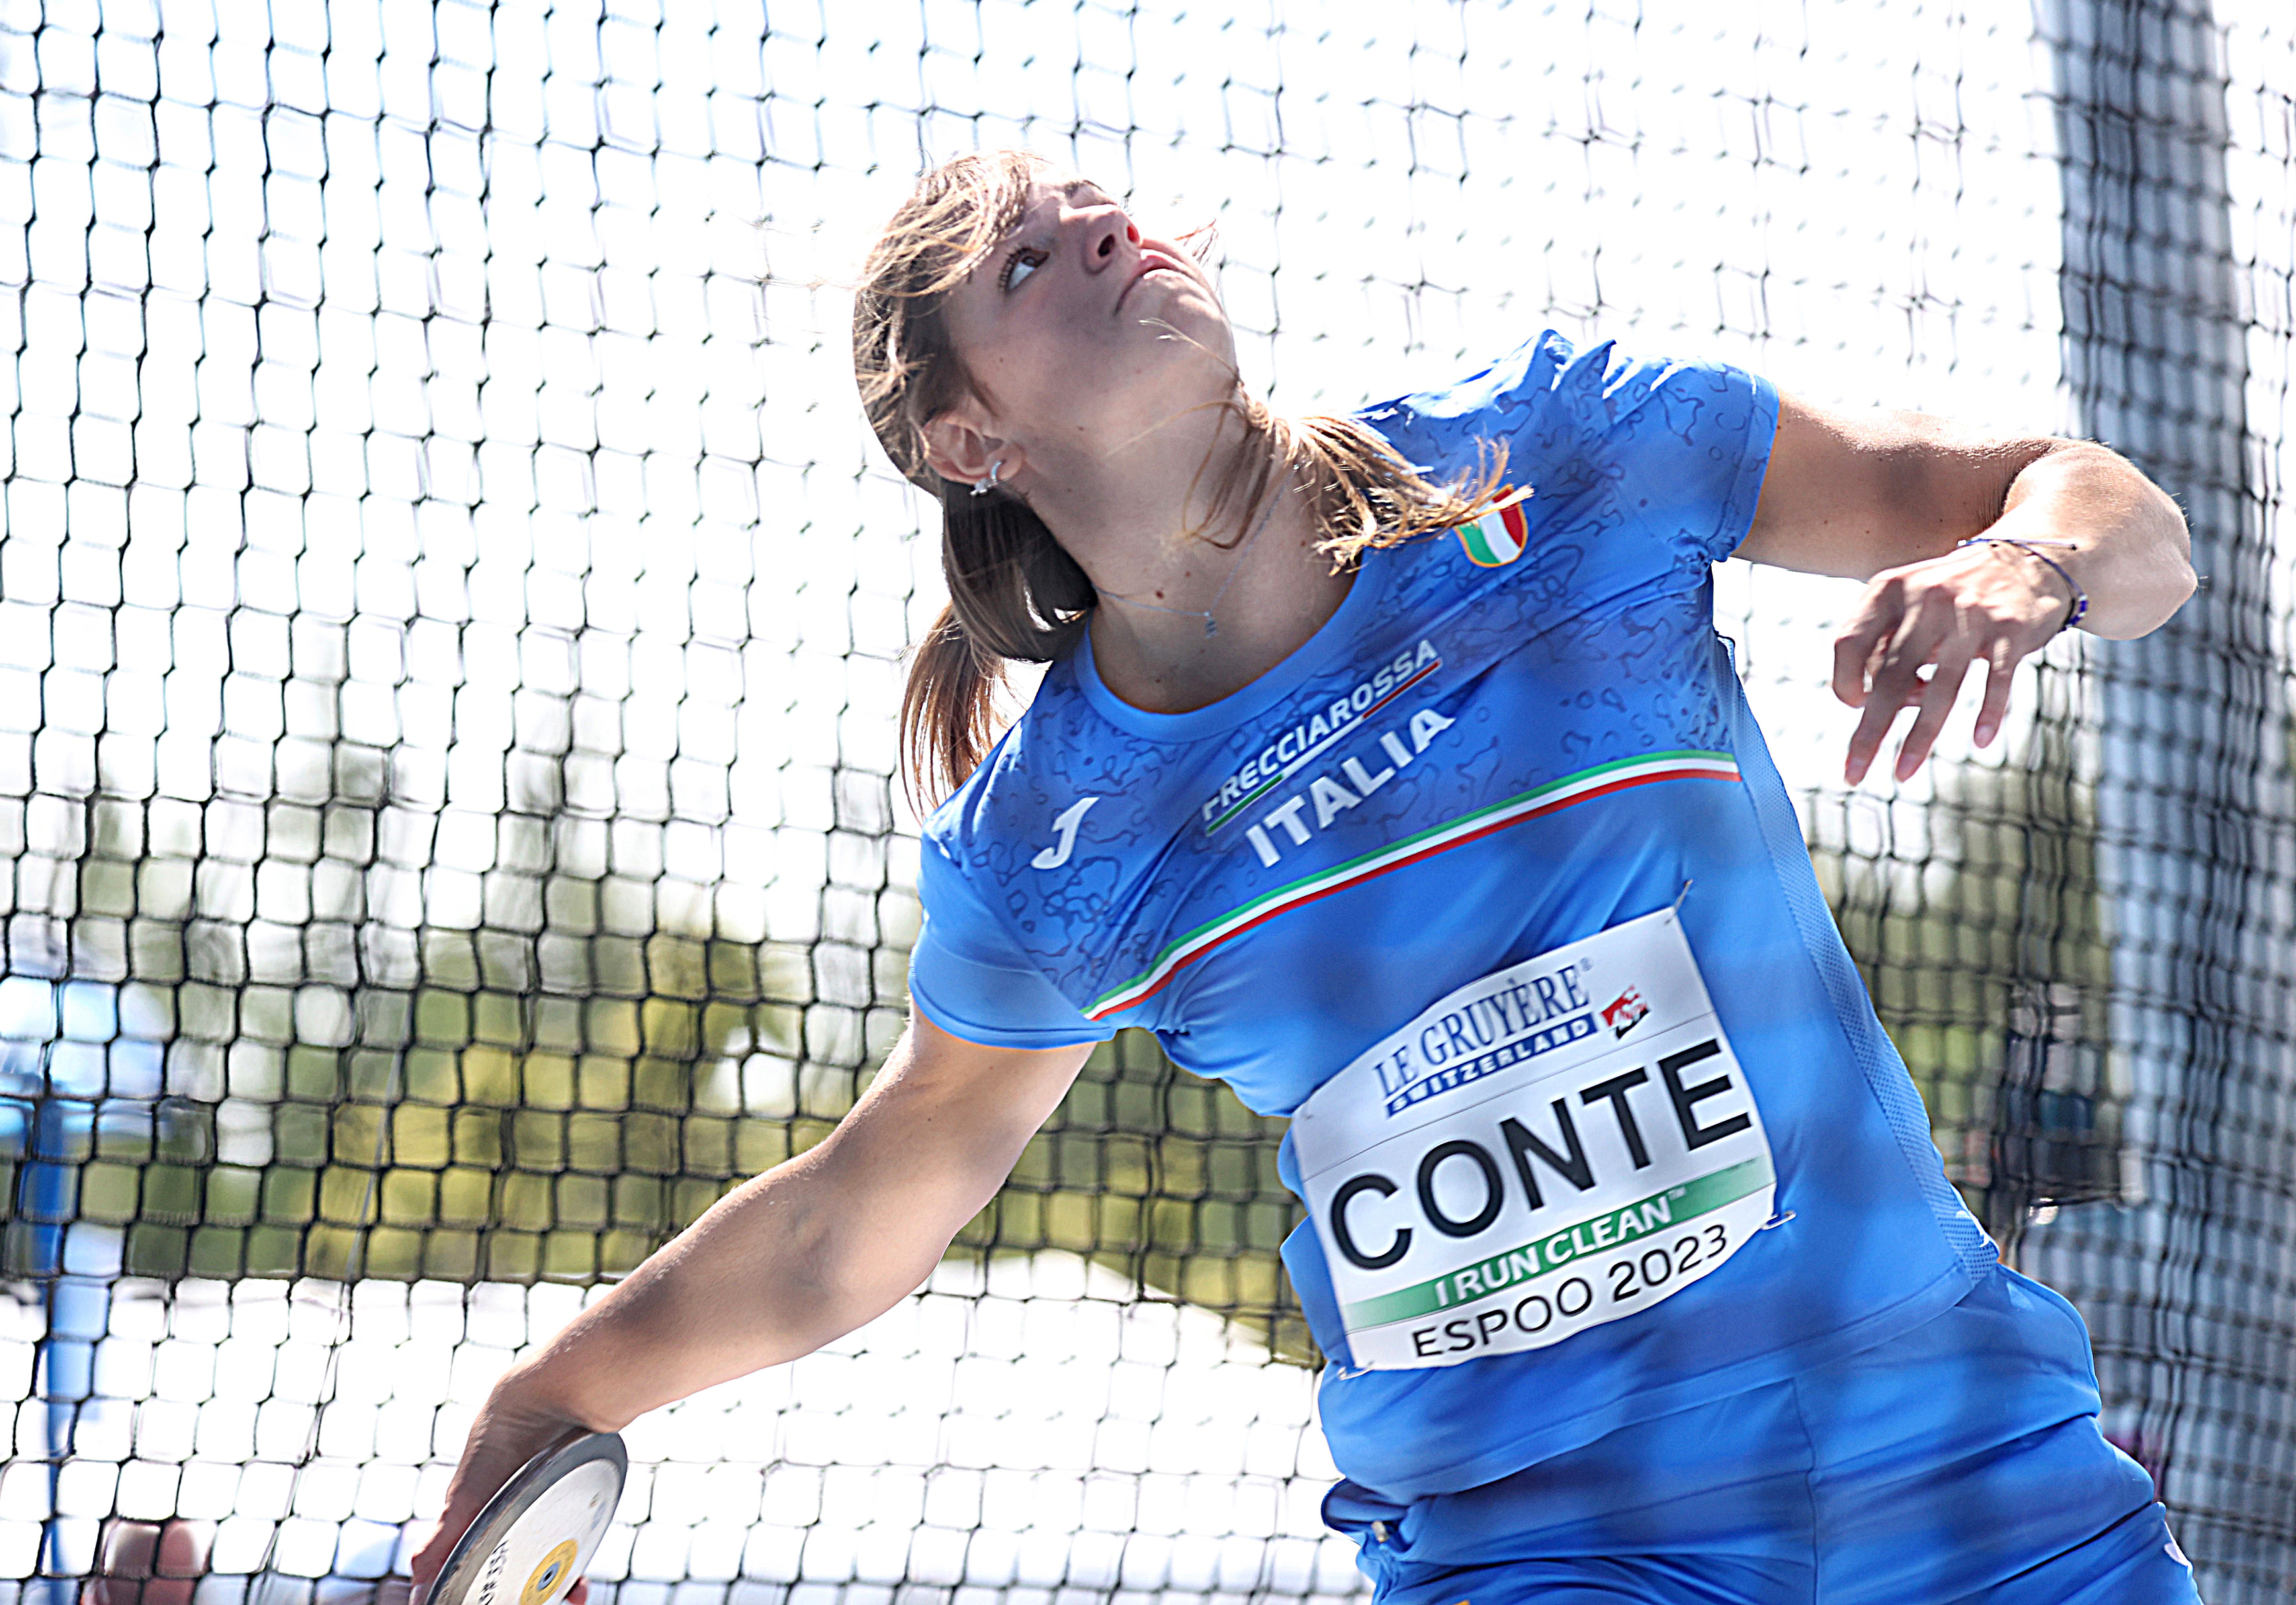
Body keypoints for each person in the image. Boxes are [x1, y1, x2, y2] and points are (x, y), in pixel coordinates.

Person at [412, 150, 2199, 1605]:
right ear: (971, 443)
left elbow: (2124, 522)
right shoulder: (1053, 846)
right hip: (1550, 1545)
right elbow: (852, 1214)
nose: (1101, 231)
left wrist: (2032, 562)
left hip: (1963, 1460)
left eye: (1097, 207)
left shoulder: (1566, 454)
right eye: (1026, 264)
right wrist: (550, 1391)